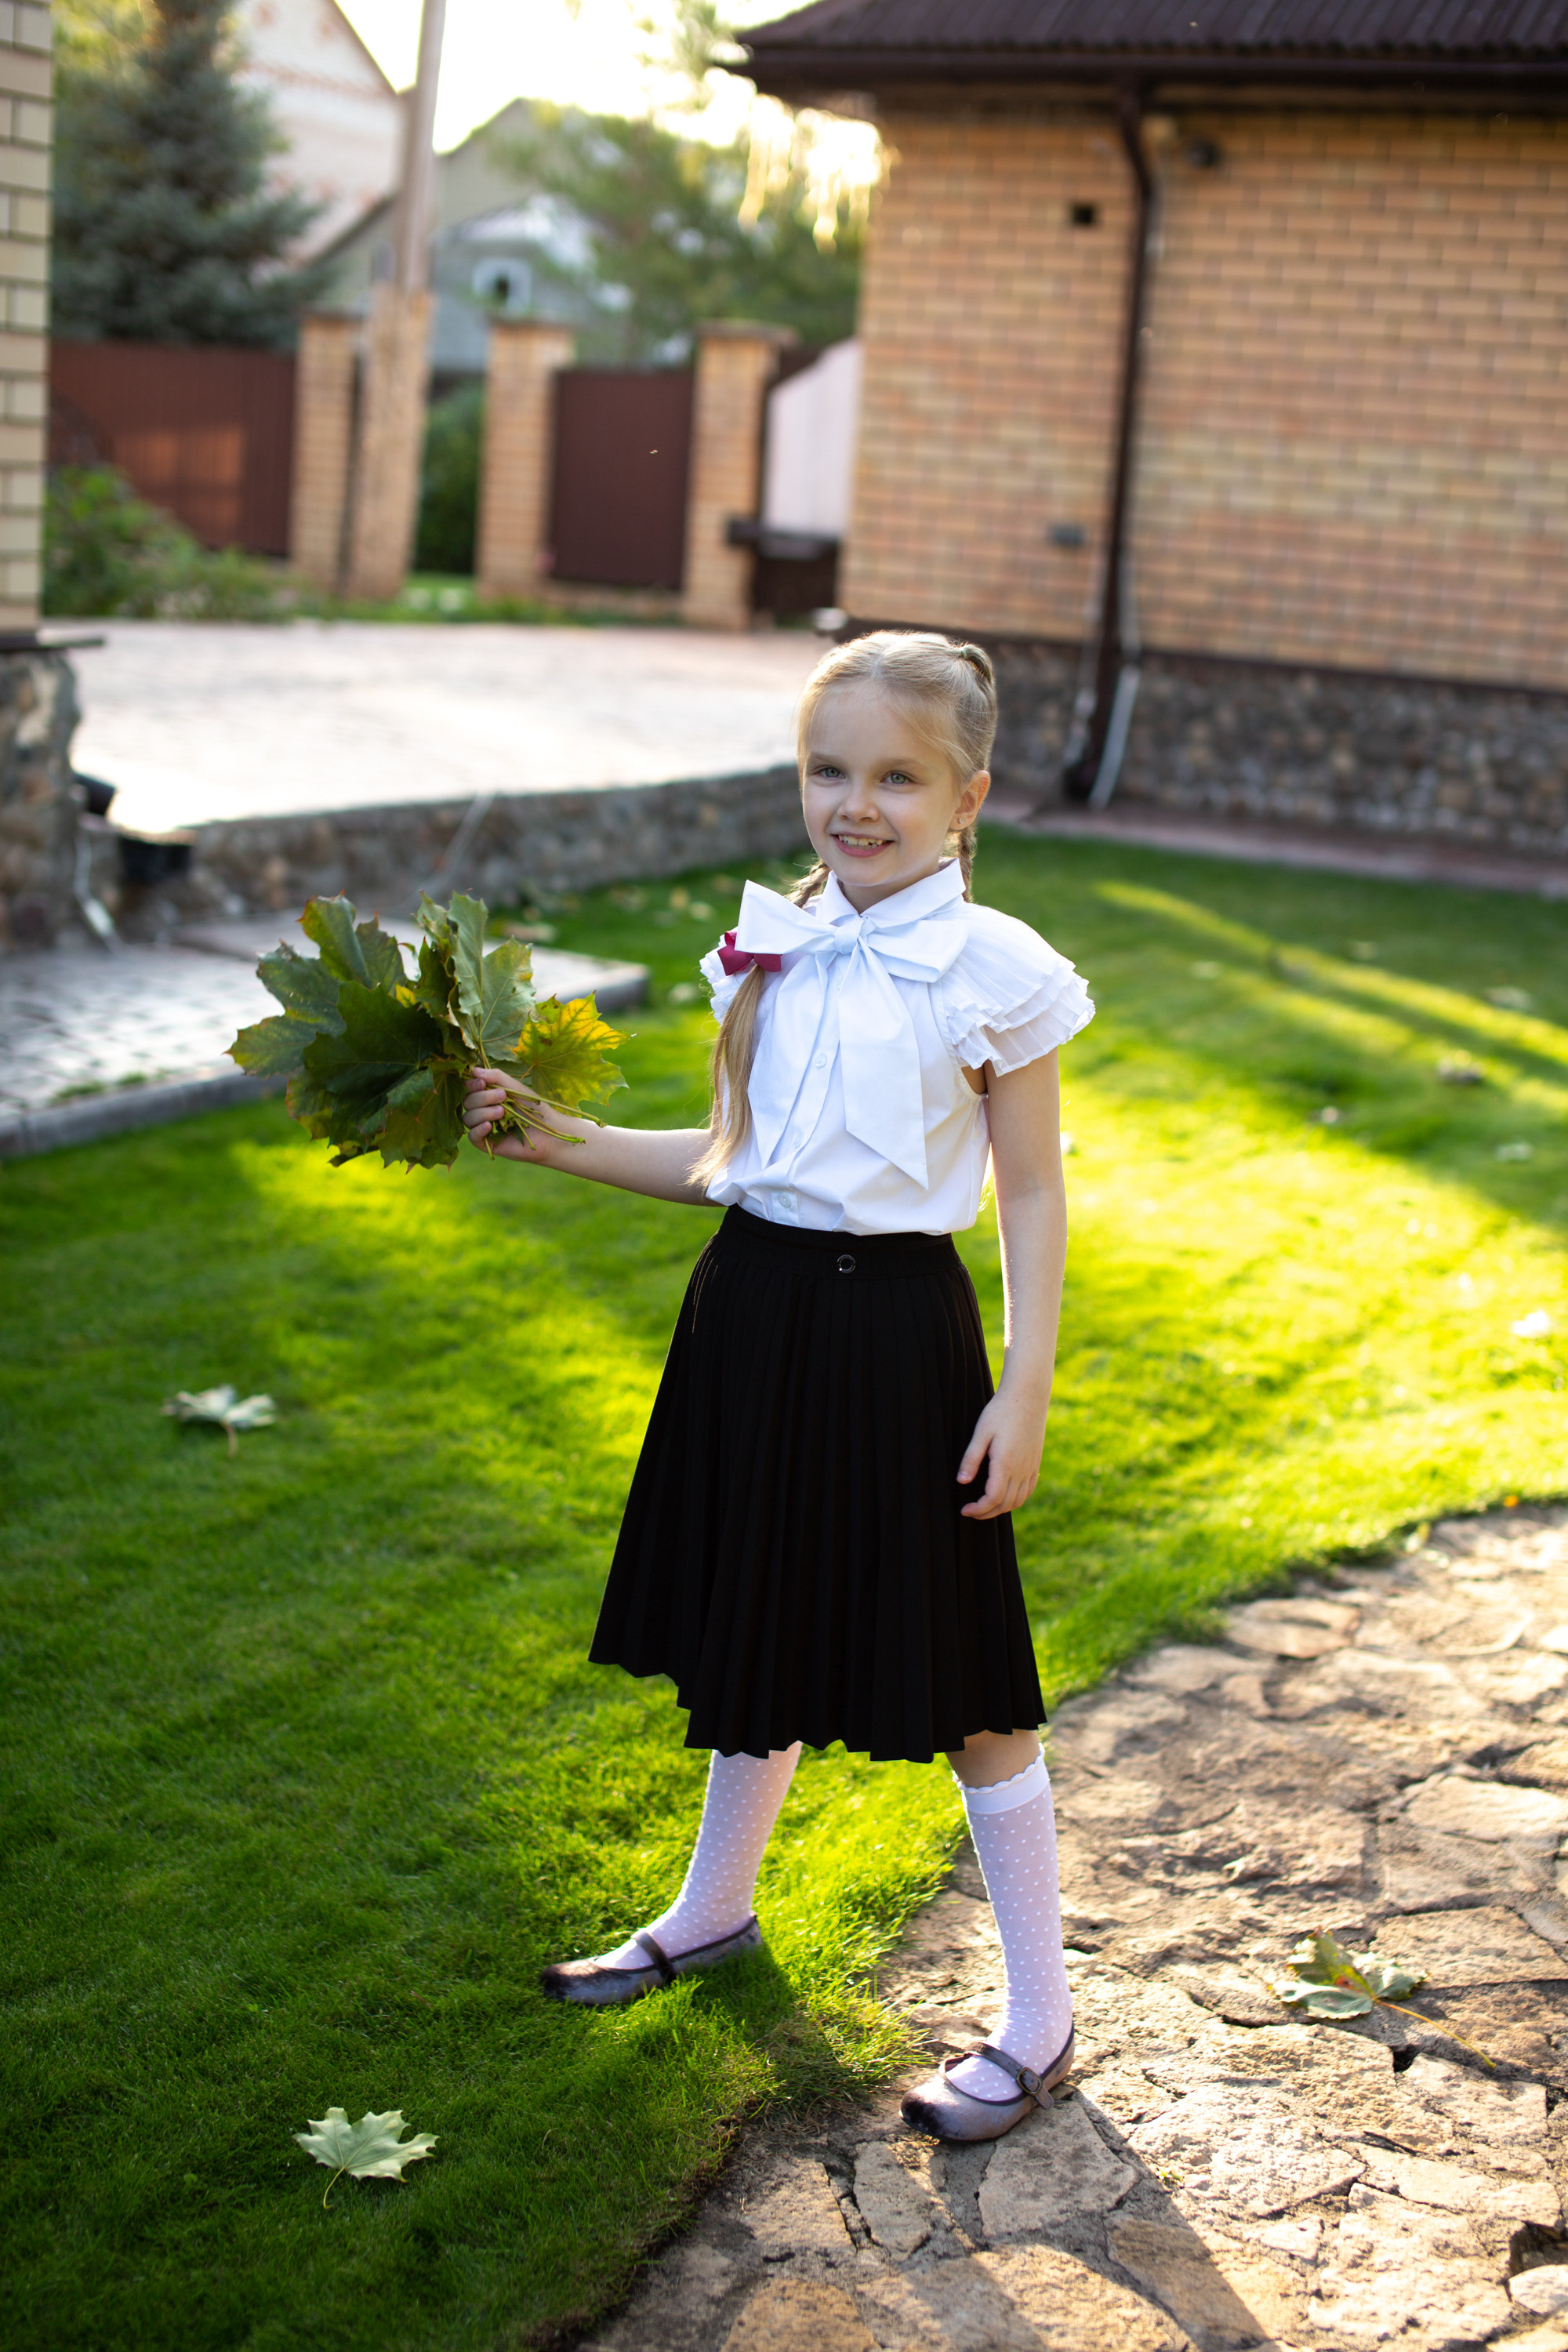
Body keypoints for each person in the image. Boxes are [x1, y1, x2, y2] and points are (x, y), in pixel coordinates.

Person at [462, 630, 1093, 2143]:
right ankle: (712, 1909)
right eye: (829, 769)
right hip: (750, 1313)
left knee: (965, 1677)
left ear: (968, 798)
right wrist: (552, 1136)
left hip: (897, 1339)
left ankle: (1040, 2014)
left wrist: (1025, 1388)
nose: (854, 803)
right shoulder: (774, 940)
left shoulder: (990, 968)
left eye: (895, 776)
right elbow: (727, 1164)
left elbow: (1031, 1198)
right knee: (762, 1619)